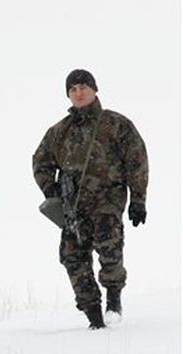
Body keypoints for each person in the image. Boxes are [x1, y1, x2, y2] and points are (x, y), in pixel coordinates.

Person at [32, 69, 148, 329]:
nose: (79, 93)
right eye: (73, 89)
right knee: (72, 257)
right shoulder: (60, 131)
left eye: (83, 87)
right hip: (73, 205)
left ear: (94, 89)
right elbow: (40, 161)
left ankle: (113, 298)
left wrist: (138, 199)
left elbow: (137, 160)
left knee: (109, 246)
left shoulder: (116, 124)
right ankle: (94, 318)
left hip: (108, 199)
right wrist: (52, 192)